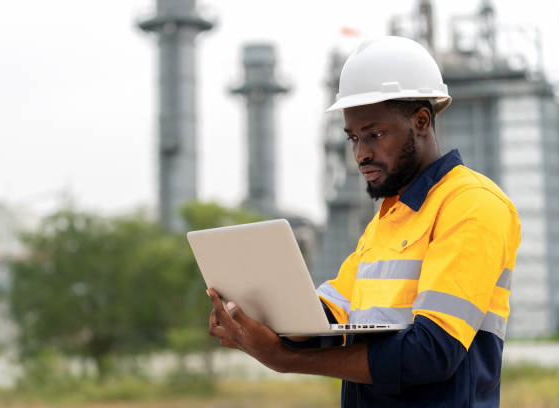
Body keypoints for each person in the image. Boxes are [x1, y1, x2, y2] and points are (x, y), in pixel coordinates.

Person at [206, 36, 521, 407]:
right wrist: (253, 316)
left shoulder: (471, 205)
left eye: (374, 135)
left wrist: (285, 360)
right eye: (353, 137)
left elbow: (432, 354)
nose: (360, 154)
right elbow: (323, 323)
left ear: (421, 121)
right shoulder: (387, 221)